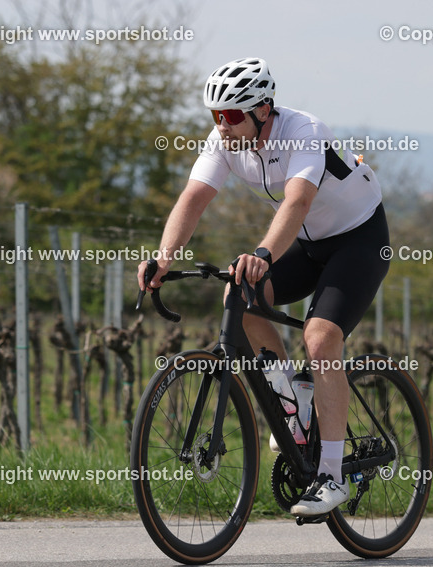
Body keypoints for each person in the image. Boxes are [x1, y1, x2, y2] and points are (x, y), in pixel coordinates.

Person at [137, 57, 391, 517]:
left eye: (231, 115)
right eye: (216, 116)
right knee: (241, 295)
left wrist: (263, 254)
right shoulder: (225, 142)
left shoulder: (303, 130)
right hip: (311, 242)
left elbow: (299, 200)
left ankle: (332, 476)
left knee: (320, 338)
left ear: (263, 109)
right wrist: (164, 257)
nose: (223, 125)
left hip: (359, 238)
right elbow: (192, 198)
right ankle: (293, 400)